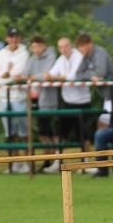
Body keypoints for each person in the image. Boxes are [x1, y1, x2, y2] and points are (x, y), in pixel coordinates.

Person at [46, 36, 84, 171]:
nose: (63, 49)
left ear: (71, 45)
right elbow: (50, 74)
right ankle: (58, 162)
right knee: (61, 132)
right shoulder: (61, 59)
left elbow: (71, 76)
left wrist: (57, 77)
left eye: (65, 46)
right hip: (67, 101)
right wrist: (53, 76)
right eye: (60, 47)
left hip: (82, 101)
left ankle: (85, 163)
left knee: (83, 135)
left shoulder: (79, 57)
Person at [0, 27, 30, 146]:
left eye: (16, 36)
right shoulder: (1, 53)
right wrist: (5, 75)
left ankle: (28, 159)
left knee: (24, 131)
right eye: (11, 36)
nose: (14, 39)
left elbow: (18, 74)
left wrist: (4, 76)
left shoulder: (24, 54)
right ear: (7, 38)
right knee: (9, 132)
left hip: (19, 97)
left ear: (20, 38)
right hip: (3, 97)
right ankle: (15, 162)